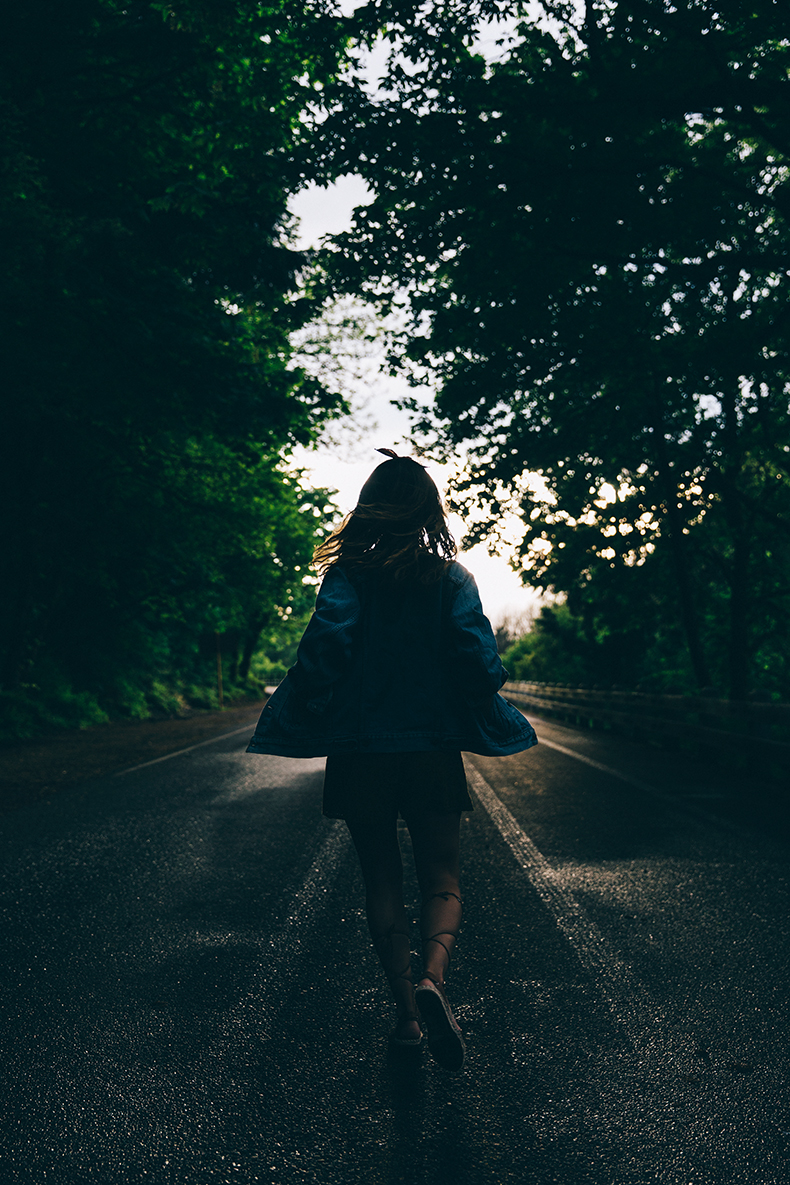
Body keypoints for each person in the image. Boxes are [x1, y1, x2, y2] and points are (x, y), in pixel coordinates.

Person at [247, 450, 537, 1069]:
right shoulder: (451, 579)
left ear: (371, 508)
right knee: (443, 876)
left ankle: (406, 1018)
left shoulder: (348, 577)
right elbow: (476, 661)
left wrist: (311, 702)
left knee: (381, 879)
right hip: (431, 750)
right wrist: (489, 681)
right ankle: (434, 976)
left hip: (361, 752)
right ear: (429, 509)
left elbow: (325, 652)